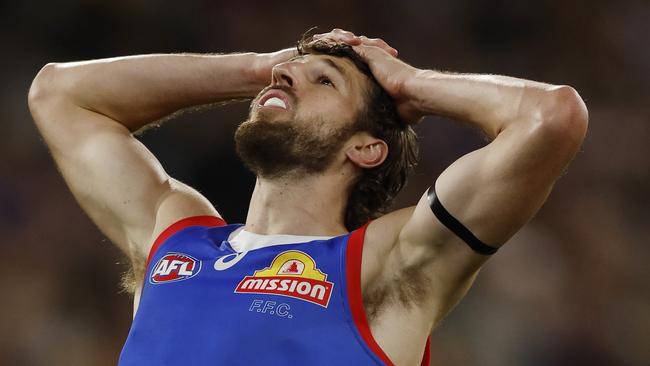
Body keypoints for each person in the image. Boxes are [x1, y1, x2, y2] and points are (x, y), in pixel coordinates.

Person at [27, 28, 588, 365]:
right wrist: (257, 68)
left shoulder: (385, 266)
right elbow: (60, 93)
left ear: (367, 148)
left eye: (324, 82)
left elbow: (551, 117)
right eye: (286, 74)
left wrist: (406, 83)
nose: (287, 78)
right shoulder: (172, 237)